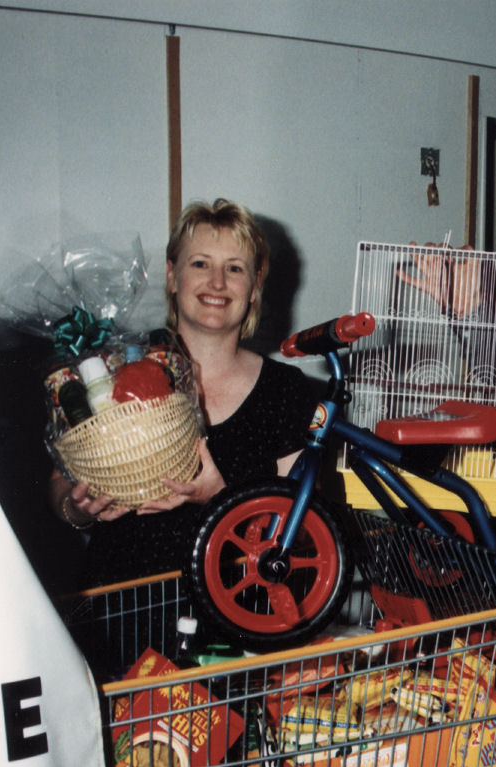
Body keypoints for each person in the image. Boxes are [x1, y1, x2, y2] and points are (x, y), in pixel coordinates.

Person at [49, 198, 317, 587]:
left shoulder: (286, 391)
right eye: (200, 264)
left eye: (235, 268)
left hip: (236, 613)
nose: (218, 283)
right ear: (173, 276)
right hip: (121, 608)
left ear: (254, 286)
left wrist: (223, 499)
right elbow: (59, 482)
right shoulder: (115, 369)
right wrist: (77, 509)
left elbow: (306, 529)